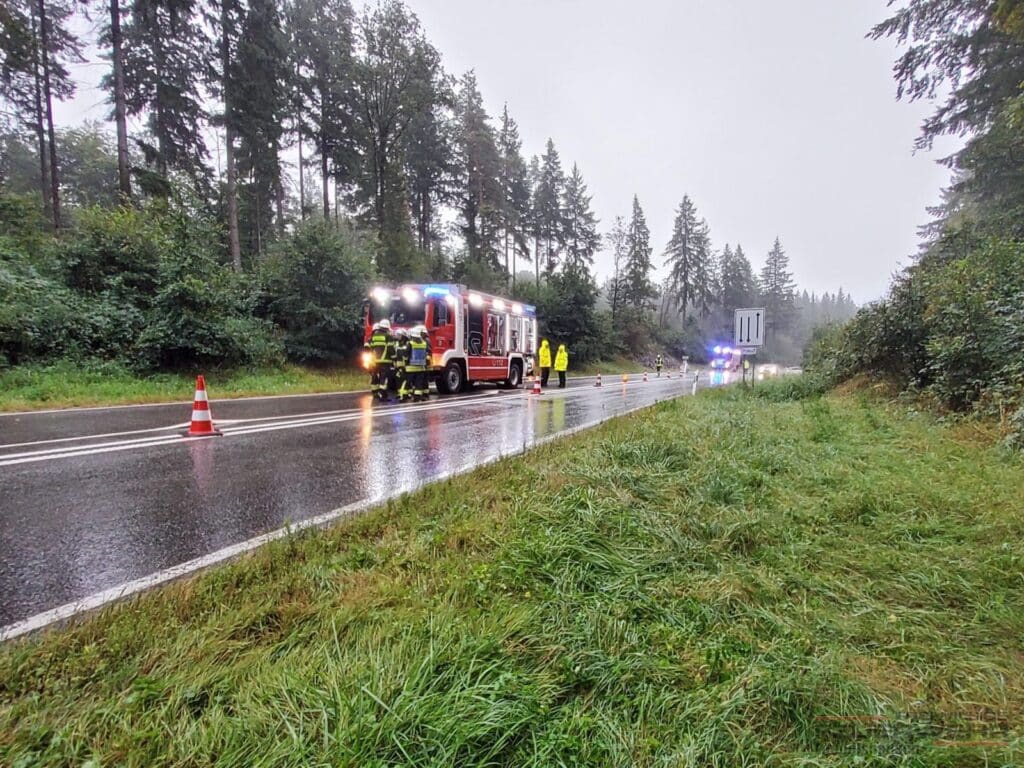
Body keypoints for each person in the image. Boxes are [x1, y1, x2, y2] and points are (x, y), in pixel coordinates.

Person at [368, 319, 393, 400]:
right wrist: (394, 358)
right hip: (385, 361)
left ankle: (375, 392)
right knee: (384, 378)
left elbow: (371, 347)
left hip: (375, 360)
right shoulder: (388, 336)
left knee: (375, 376)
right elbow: (390, 349)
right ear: (387, 328)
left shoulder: (374, 336)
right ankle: (383, 395)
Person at [406, 326, 431, 402]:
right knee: (419, 383)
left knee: (410, 382)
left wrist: (405, 363)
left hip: (411, 367)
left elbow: (406, 355)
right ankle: (418, 396)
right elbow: (428, 353)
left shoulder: (410, 343)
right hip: (421, 367)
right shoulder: (424, 343)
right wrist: (427, 363)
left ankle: (410, 395)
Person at [392, 329, 411, 401]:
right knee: (398, 379)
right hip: (397, 365)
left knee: (405, 379)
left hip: (406, 365)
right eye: (397, 335)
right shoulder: (396, 343)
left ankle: (406, 393)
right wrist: (394, 363)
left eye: (399, 335)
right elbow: (394, 353)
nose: (398, 337)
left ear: (404, 336)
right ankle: (400, 393)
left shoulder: (408, 344)